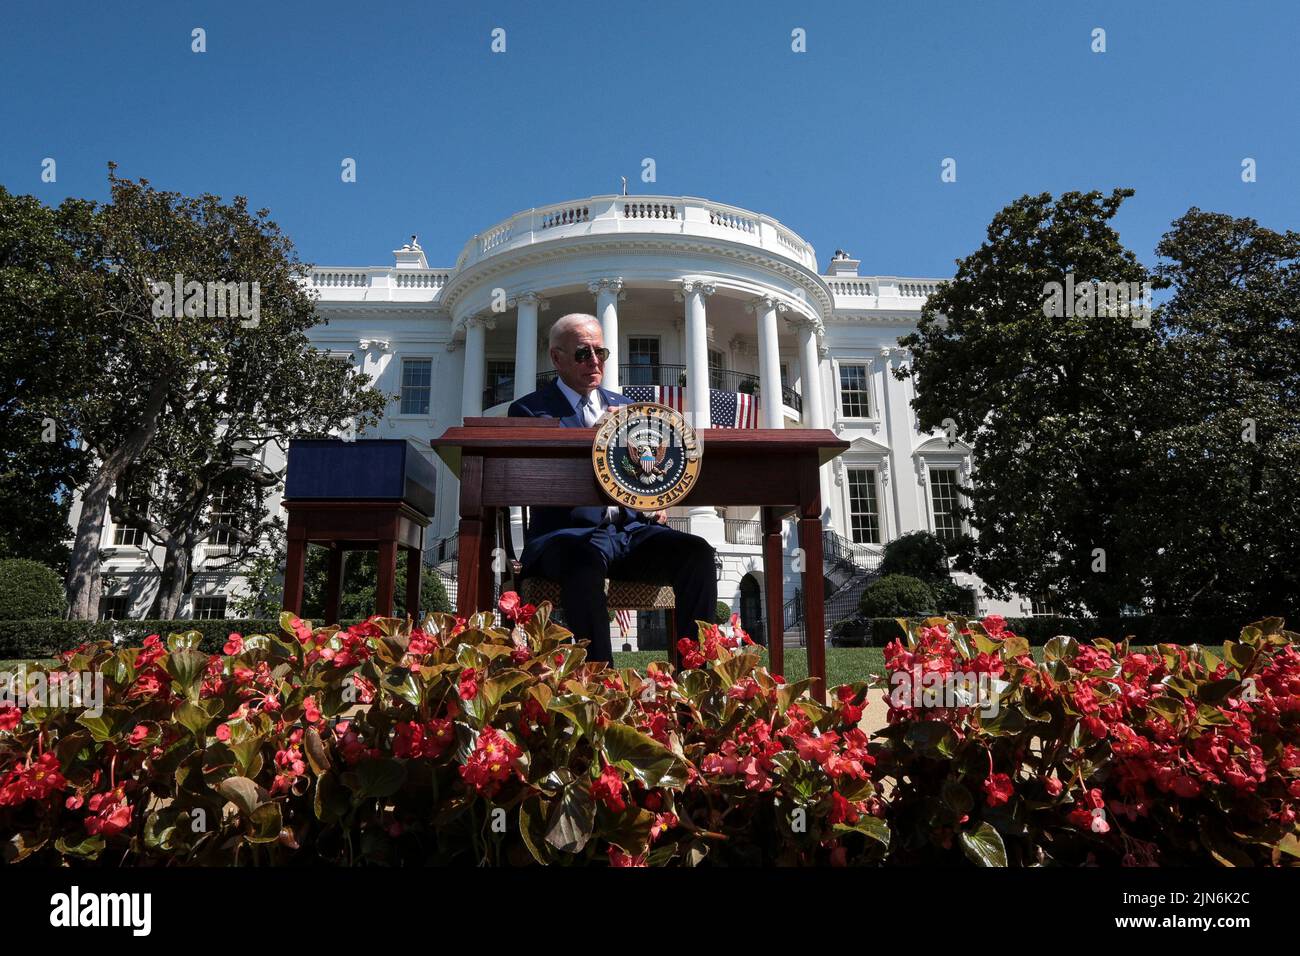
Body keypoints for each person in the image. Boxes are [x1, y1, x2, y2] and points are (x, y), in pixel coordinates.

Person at [507, 313, 718, 663]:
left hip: (631, 532)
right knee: (584, 560)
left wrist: (654, 498)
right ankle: (600, 690)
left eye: (600, 352)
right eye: (582, 353)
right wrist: (597, 437)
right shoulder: (529, 410)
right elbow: (542, 478)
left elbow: (648, 468)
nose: (594, 361)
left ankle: (694, 682)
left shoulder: (625, 409)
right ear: (556, 358)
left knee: (696, 553)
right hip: (566, 536)